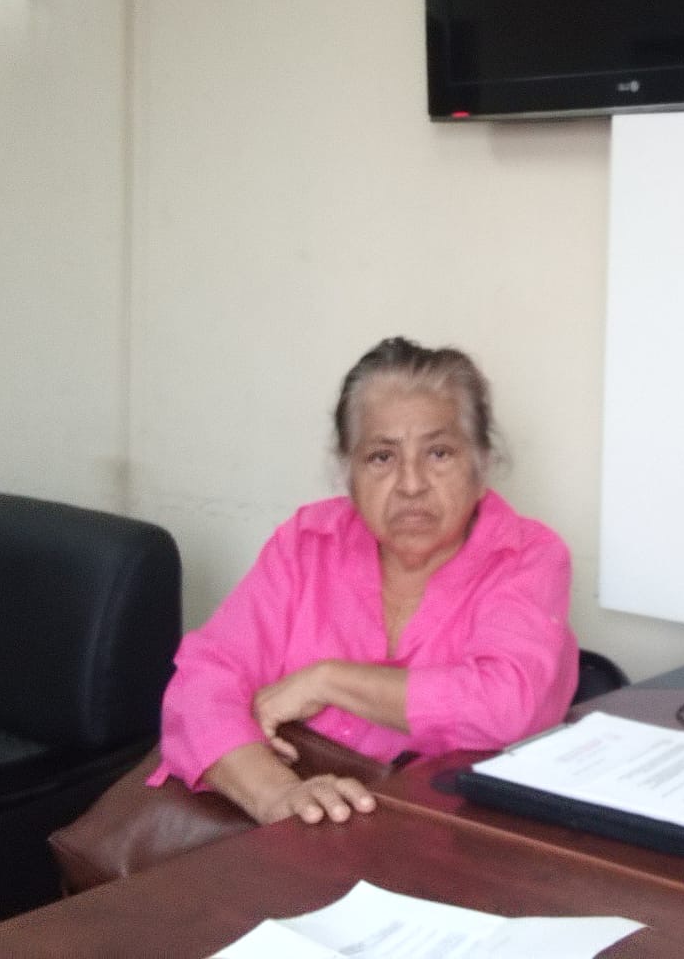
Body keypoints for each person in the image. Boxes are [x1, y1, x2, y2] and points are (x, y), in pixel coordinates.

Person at [150, 338, 580, 826]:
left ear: (482, 464)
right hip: (277, 825)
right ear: (347, 472)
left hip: (440, 840)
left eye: (439, 453)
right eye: (381, 457)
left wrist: (328, 681)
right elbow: (202, 684)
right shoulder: (307, 544)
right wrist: (277, 795)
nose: (412, 484)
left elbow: (506, 705)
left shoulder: (528, 558)